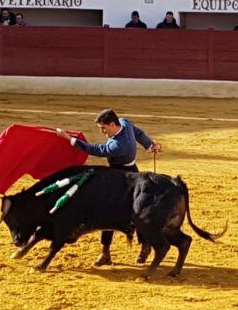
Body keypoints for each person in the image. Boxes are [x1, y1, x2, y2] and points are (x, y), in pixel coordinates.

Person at [56, 109, 160, 267]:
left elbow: (95, 150)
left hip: (123, 177)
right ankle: (106, 252)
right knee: (114, 211)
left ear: (112, 124)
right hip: (127, 172)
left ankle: (144, 245)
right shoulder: (124, 122)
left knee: (128, 211)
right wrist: (150, 144)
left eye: (103, 128)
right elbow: (138, 133)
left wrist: (70, 139)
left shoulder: (118, 146)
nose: (103, 133)